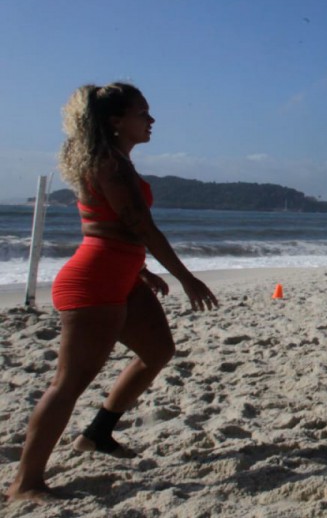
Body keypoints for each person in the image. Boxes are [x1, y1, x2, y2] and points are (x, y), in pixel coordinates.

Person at [6, 83, 219, 503]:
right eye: (143, 113)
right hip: (95, 280)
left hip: (121, 274)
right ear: (116, 121)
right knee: (68, 384)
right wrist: (185, 277)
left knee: (157, 350)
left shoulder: (115, 161)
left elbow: (115, 227)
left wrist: (140, 270)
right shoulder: (109, 164)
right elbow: (141, 226)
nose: (151, 120)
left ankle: (98, 433)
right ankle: (25, 483)